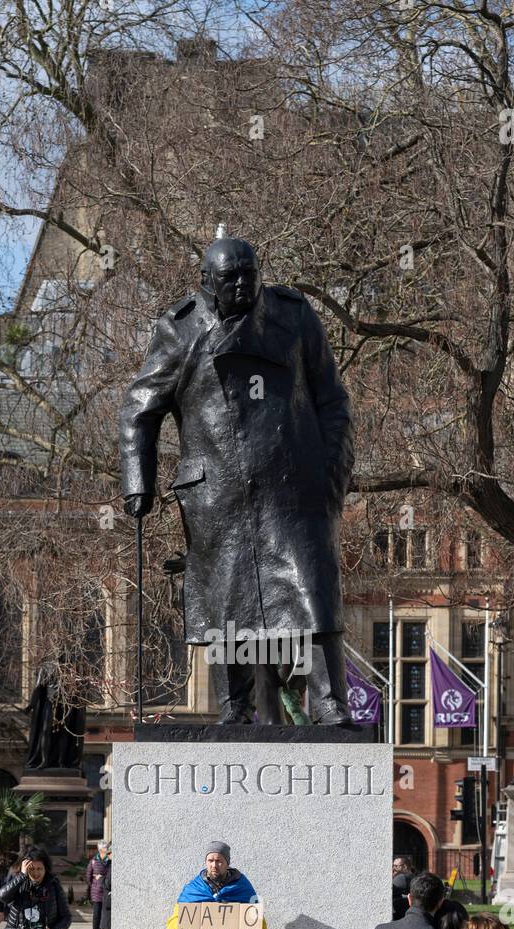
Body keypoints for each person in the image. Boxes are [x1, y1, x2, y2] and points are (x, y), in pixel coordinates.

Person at [120, 236, 355, 726]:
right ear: (206, 281)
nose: (244, 283)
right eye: (231, 277)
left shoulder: (294, 315)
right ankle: (234, 706)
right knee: (228, 599)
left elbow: (333, 398)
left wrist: (331, 469)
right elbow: (140, 408)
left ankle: (331, 701)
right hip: (218, 492)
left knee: (311, 588)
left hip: (295, 486)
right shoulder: (180, 330)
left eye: (251, 272)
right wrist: (138, 482)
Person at [85, 842, 111, 929]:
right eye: (105, 849)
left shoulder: (110, 862)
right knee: (96, 917)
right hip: (97, 894)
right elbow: (88, 876)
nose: (107, 851)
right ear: (100, 850)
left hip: (108, 894)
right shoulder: (93, 862)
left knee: (109, 917)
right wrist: (95, 886)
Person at [392, 856, 414, 921]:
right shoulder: (413, 877)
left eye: (396, 866)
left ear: (404, 867)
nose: (393, 868)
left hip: (399, 918)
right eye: (393, 865)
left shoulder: (401, 878)